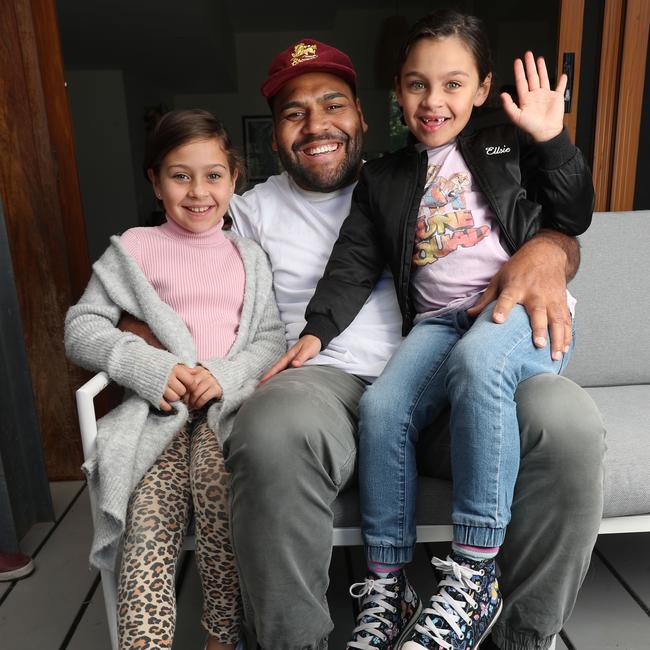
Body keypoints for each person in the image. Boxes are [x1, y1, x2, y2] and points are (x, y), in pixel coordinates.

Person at [222, 36, 604, 650]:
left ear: (364, 115)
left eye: (332, 104)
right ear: (272, 136)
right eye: (294, 113)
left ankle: (510, 626)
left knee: (568, 421)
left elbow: (561, 213)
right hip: (338, 384)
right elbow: (184, 264)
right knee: (276, 424)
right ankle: (357, 607)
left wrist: (550, 246)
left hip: (470, 359)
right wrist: (150, 343)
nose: (316, 124)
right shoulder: (254, 209)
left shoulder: (488, 150)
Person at [64, 109, 286, 650]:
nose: (198, 191)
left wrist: (223, 373)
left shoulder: (247, 256)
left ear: (235, 179)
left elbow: (270, 339)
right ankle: (145, 642)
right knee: (149, 526)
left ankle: (221, 636)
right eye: (179, 175)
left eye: (213, 175)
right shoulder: (135, 249)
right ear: (155, 181)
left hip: (223, 414)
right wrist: (147, 365)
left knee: (220, 500)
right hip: (155, 415)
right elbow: (81, 327)